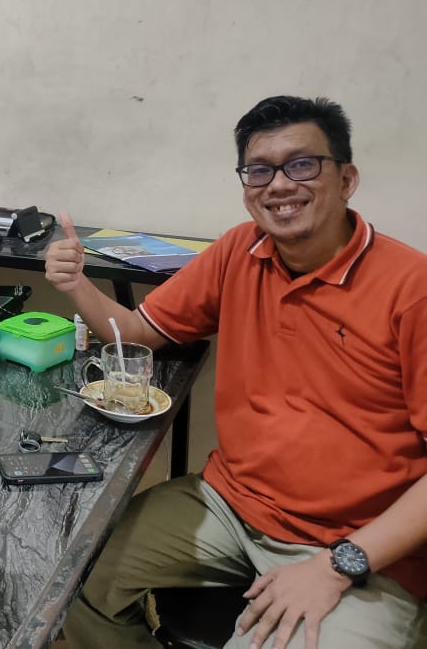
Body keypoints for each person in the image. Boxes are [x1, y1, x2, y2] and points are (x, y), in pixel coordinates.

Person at [47, 96, 427, 649]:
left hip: (359, 547)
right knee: (70, 580)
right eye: (259, 170)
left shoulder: (412, 289)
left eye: (302, 165)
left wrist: (338, 564)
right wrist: (76, 283)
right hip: (231, 504)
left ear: (347, 179)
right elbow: (138, 333)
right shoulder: (238, 251)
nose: (279, 184)